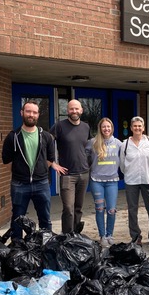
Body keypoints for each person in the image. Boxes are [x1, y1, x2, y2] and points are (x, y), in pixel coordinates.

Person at [1, 100, 61, 239]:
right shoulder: (13, 136)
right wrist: (21, 173)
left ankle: (46, 246)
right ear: (22, 113)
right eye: (28, 111)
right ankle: (17, 248)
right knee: (17, 219)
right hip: (19, 185)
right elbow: (7, 161)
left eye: (34, 112)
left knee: (45, 219)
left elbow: (50, 159)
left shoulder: (46, 136)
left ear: (38, 115)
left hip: (41, 184)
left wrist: (38, 172)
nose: (31, 115)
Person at [50, 99, 91, 234]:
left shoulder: (86, 127)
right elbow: (46, 144)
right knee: (68, 207)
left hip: (84, 173)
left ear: (81, 111)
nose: (74, 111)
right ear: (67, 111)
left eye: (76, 109)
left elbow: (90, 147)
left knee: (78, 208)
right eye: (71, 109)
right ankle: (67, 237)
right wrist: (52, 163)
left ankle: (76, 235)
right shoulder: (59, 126)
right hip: (68, 175)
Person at [119, 116, 149, 246]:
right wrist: (129, 173)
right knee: (132, 210)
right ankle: (136, 236)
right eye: (135, 126)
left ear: (143, 127)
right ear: (131, 128)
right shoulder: (125, 144)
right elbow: (122, 164)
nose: (137, 128)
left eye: (139, 126)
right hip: (131, 181)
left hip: (148, 180)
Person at [86, 118, 122, 247]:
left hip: (112, 181)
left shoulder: (118, 143)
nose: (106, 129)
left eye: (108, 127)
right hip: (97, 181)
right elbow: (85, 159)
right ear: (100, 128)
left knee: (111, 210)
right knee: (100, 209)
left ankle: (110, 234)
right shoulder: (92, 142)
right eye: (103, 127)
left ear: (112, 128)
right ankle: (102, 236)